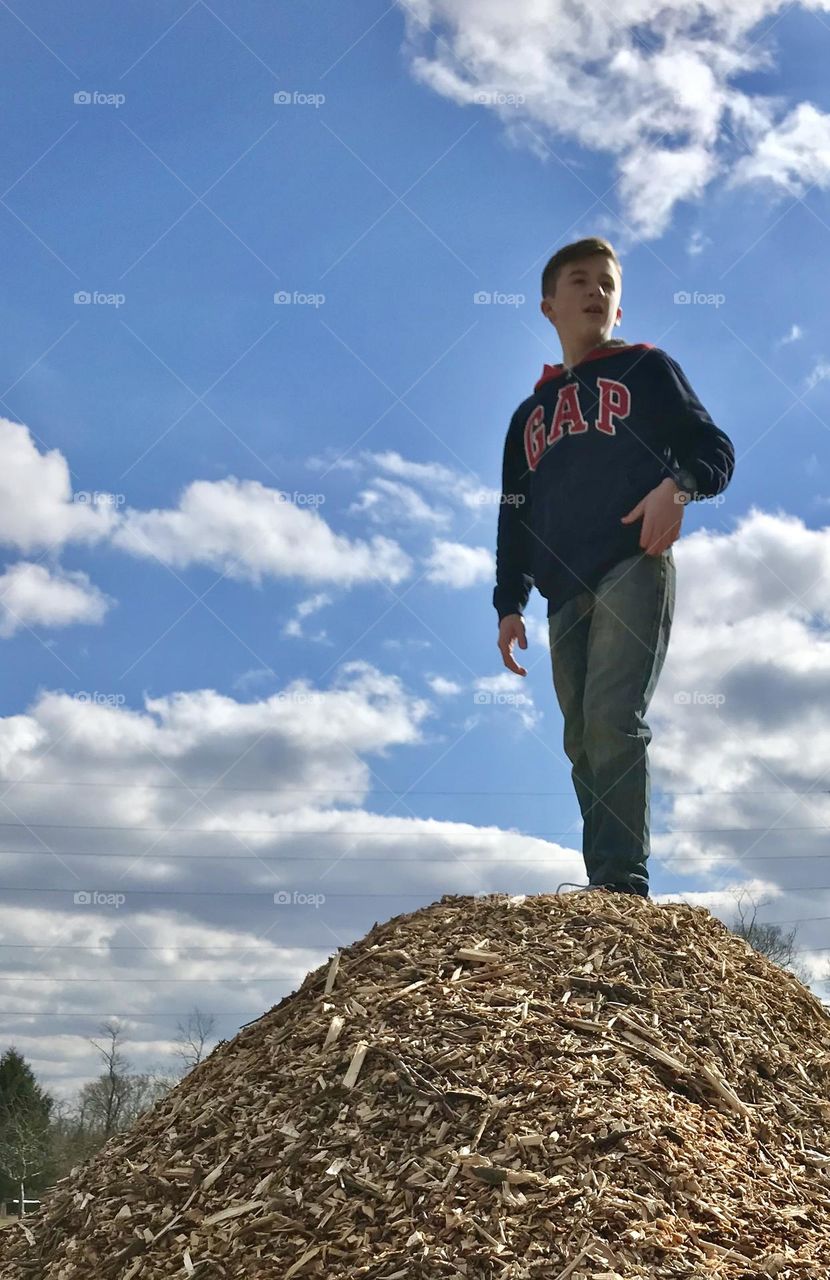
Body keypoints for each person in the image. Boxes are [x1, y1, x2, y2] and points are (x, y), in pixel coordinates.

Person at [493, 237, 735, 898]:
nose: (595, 291)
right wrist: (507, 602)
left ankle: (622, 886)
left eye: (607, 284)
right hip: (561, 589)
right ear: (549, 305)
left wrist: (678, 485)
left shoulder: (646, 370)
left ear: (619, 309)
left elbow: (712, 445)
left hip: (634, 560)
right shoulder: (528, 416)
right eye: (579, 281)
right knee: (580, 741)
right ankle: (604, 887)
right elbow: (514, 511)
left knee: (612, 720)